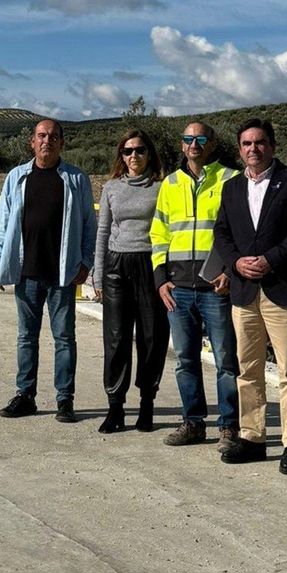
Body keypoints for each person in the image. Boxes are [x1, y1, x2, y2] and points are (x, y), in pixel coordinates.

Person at [212, 117, 287, 472]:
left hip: (283, 289)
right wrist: (236, 263)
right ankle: (252, 436)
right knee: (248, 369)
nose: (253, 149)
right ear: (239, 149)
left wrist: (271, 260)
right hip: (244, 292)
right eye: (246, 144)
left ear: (272, 145)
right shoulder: (231, 188)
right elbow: (222, 233)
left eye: (259, 143)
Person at [0, 119, 96, 423]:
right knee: (26, 337)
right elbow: (3, 223)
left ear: (62, 143)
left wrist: (86, 263)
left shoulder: (76, 179)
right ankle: (25, 396)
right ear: (32, 142)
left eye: (53, 137)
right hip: (26, 271)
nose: (46, 141)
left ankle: (65, 400)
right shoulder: (16, 178)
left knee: (64, 337)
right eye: (41, 136)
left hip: (63, 272)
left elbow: (90, 225)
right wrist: (0, 260)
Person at [150, 121, 240, 449]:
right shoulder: (170, 184)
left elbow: (241, 231)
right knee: (186, 360)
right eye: (188, 138)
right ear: (181, 144)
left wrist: (230, 270)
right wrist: (161, 279)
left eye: (200, 138)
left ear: (212, 143)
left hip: (216, 286)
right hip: (178, 288)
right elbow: (158, 234)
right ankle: (193, 422)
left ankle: (229, 426)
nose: (194, 144)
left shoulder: (231, 179)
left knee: (226, 360)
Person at [93, 129, 169, 434]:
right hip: (116, 265)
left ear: (149, 154)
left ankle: (147, 405)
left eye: (139, 150)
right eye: (127, 151)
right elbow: (102, 231)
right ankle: (115, 407)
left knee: (152, 336)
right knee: (116, 338)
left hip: (150, 264)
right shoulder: (111, 188)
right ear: (120, 156)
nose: (133, 156)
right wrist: (98, 275)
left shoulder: (163, 188)